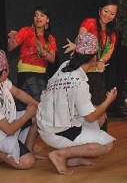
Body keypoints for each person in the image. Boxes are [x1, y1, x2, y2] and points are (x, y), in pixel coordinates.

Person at [37, 33, 117, 175]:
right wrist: (108, 101)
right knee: (107, 144)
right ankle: (60, 154)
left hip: (47, 123)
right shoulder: (79, 82)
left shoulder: (65, 65)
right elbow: (90, 117)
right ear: (93, 59)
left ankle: (73, 157)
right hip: (57, 130)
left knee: (101, 116)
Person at [63, 0, 119, 131]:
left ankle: (99, 137)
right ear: (100, 10)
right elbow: (82, 41)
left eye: (112, 13)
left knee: (100, 106)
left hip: (98, 74)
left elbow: (108, 53)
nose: (108, 15)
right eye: (106, 11)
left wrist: (101, 61)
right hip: (82, 71)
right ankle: (80, 138)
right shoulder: (89, 22)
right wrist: (76, 46)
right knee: (83, 107)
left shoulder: (112, 32)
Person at [8, 6, 57, 111]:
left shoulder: (50, 38)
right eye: (36, 15)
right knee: (29, 104)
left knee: (40, 104)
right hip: (26, 70)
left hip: (42, 72)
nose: (38, 18)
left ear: (47, 19)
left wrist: (44, 54)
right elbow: (10, 48)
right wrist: (11, 39)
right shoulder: (26, 30)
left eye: (42, 15)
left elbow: (52, 59)